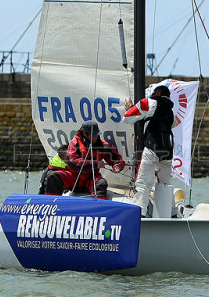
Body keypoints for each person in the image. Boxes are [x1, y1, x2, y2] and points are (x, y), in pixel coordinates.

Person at [123, 84, 175, 217]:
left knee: (143, 183)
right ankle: (172, 213)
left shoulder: (148, 102)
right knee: (165, 183)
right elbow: (170, 125)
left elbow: (127, 118)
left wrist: (130, 107)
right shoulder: (170, 111)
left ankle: (139, 213)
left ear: (157, 92)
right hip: (168, 151)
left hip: (152, 148)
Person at [66, 122, 125, 199]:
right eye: (93, 135)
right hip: (73, 179)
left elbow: (117, 159)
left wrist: (117, 166)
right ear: (85, 134)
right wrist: (95, 163)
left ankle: (100, 208)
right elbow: (73, 163)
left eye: (97, 134)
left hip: (91, 179)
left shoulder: (103, 145)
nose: (96, 137)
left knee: (101, 184)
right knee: (52, 176)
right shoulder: (75, 143)